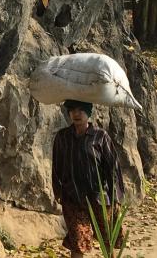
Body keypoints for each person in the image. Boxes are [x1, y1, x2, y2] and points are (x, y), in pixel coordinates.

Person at [51, 100, 124, 257]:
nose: (76, 114)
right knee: (77, 242)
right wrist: (58, 191)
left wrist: (116, 197)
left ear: (88, 112)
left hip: (100, 199)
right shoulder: (62, 137)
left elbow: (113, 168)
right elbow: (56, 166)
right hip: (73, 198)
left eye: (81, 110)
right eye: (72, 110)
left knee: (107, 241)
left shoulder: (100, 137)